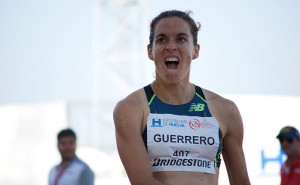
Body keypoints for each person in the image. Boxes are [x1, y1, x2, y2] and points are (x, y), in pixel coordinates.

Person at [113, 10, 251, 185]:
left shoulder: (225, 110)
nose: (171, 46)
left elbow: (242, 182)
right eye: (161, 39)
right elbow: (142, 182)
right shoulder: (130, 109)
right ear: (150, 51)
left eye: (181, 39)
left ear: (195, 50)